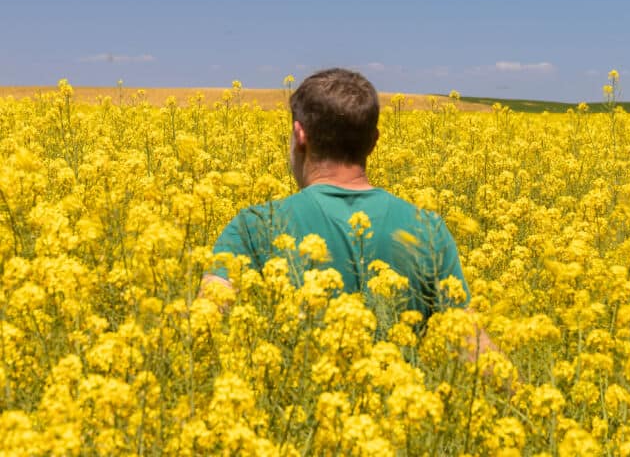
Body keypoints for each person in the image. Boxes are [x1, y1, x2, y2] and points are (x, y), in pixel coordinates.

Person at [202, 67, 497, 360]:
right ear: (374, 141)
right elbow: (473, 347)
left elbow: (204, 330)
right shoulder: (427, 229)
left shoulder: (254, 227)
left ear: (299, 134)